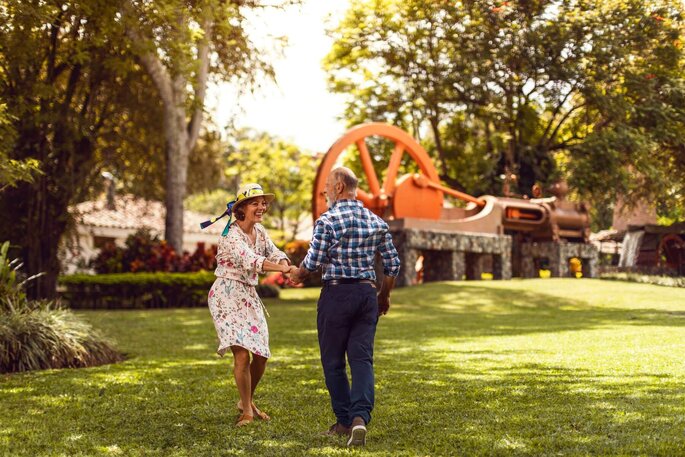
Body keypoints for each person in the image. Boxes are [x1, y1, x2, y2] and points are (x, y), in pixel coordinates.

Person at [290, 167, 400, 446]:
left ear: (338, 187)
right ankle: (360, 418)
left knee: (333, 362)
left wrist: (296, 274)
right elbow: (392, 264)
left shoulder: (327, 220)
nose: (325, 192)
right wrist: (384, 297)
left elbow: (312, 264)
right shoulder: (376, 222)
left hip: (337, 295)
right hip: (366, 294)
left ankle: (343, 421)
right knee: (362, 360)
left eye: (327, 187)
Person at [201, 183, 297, 427]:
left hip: (248, 295)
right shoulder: (231, 236)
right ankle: (247, 411)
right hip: (226, 295)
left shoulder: (260, 231)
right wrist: (284, 269)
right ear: (242, 208)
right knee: (242, 356)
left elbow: (272, 252)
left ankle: (246, 401)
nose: (262, 207)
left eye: (263, 203)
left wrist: (286, 263)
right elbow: (251, 261)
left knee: (261, 355)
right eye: (256, 202)